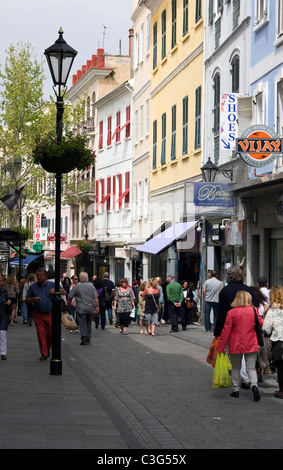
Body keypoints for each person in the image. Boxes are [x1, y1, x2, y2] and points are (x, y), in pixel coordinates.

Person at [217, 290, 263, 401]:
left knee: (236, 367)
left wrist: (221, 346)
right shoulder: (253, 310)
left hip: (236, 343)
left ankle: (236, 390)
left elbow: (226, 330)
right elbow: (261, 323)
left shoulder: (232, 312)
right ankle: (254, 386)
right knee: (251, 367)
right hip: (251, 342)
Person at [214, 266, 255, 338]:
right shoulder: (249, 290)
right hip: (248, 329)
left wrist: (218, 332)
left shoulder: (225, 291)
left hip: (231, 329)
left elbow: (221, 313)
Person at [26, 269, 56, 360]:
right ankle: (44, 353)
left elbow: (64, 292)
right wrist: (33, 299)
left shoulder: (52, 285)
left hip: (49, 313)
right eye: (37, 275)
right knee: (41, 334)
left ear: (45, 277)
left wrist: (55, 291)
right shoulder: (33, 287)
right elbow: (27, 299)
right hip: (38, 313)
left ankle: (47, 349)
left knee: (50, 333)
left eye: (40, 275)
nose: (38, 277)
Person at [68, 271, 99, 345]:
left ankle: (84, 337)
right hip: (90, 308)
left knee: (82, 323)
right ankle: (88, 337)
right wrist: (97, 306)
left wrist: (69, 304)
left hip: (81, 308)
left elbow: (70, 296)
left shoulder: (77, 286)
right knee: (88, 322)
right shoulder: (91, 286)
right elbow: (96, 297)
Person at [263, 286, 283, 399]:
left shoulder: (273, 310)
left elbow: (266, 328)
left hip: (279, 342)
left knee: (281, 367)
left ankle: (282, 390)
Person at [0, 277, 11, 360]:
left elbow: (7, 299)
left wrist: (9, 302)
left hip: (3, 314)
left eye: (2, 281)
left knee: (2, 332)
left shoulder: (4, 291)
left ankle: (3, 352)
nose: (2, 282)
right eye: (0, 281)